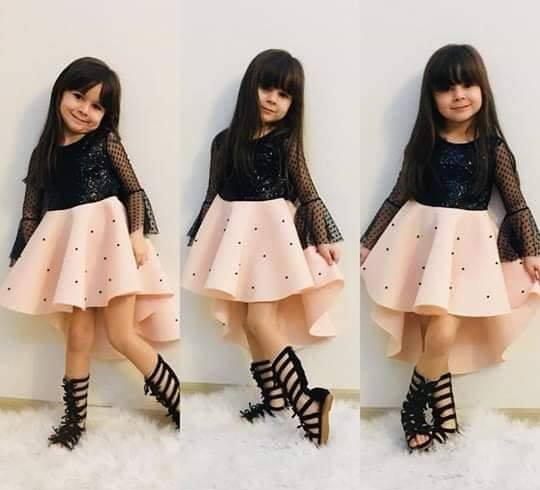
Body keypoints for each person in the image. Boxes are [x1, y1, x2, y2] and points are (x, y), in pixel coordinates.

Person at [361, 44, 540, 452]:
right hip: (423, 243)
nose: (459, 95)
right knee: (433, 334)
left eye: (467, 85)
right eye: (447, 88)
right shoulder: (423, 144)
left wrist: (533, 249)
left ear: (482, 89)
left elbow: (516, 203)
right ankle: (446, 417)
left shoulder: (493, 147)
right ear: (432, 96)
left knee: (442, 333)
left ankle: (411, 408)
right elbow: (397, 195)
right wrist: (367, 242)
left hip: (470, 250)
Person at [0, 57, 180, 449]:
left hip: (110, 244)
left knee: (121, 333)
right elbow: (31, 212)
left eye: (97, 105)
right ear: (60, 94)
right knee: (78, 335)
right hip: (74, 253)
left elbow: (133, 189)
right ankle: (74, 421)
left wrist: (136, 233)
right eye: (79, 96)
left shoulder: (105, 142)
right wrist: (26, 257)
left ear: (107, 115)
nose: (84, 110)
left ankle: (177, 402)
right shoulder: (43, 154)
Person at [183, 49, 344, 446]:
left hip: (271, 237)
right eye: (267, 88)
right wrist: (201, 236)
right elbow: (213, 193)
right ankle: (274, 399)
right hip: (234, 234)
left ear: (293, 104)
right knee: (244, 320)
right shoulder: (224, 143)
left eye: (284, 94)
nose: (273, 99)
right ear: (250, 88)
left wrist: (322, 237)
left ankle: (306, 401)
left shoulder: (285, 141)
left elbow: (307, 191)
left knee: (259, 321)